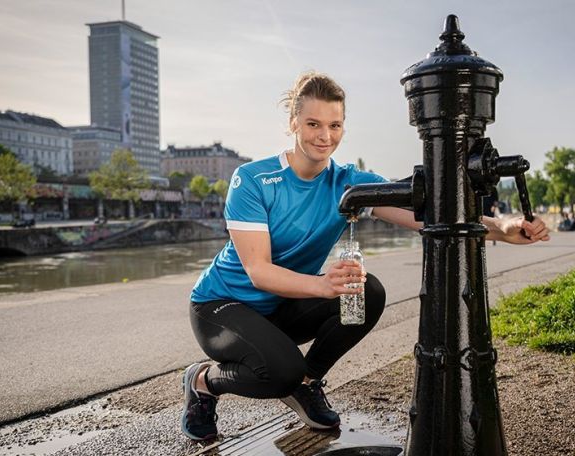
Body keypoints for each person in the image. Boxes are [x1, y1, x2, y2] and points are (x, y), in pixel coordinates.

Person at [180, 71, 551, 442]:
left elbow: (432, 215)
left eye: (335, 125)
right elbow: (258, 271)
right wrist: (324, 285)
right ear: (294, 123)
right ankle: (203, 382)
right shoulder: (254, 179)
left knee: (366, 292)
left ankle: (307, 383)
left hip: (284, 303)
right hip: (222, 305)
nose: (325, 136)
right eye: (313, 124)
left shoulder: (349, 181)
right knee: (279, 372)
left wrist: (504, 228)